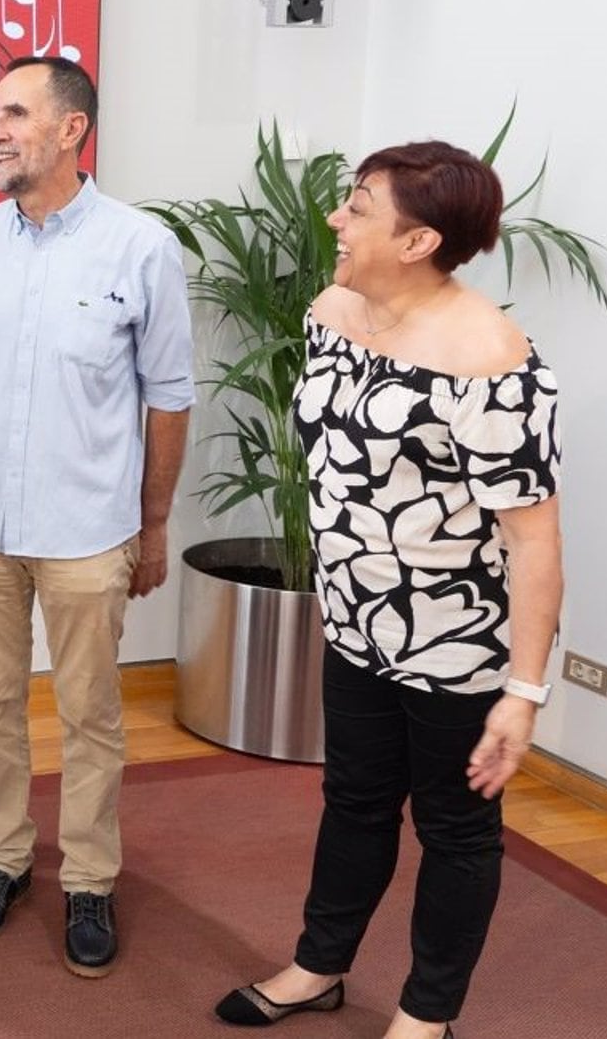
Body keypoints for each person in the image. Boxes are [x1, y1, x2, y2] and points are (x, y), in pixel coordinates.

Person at [213, 142, 563, 1039]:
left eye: (359, 205)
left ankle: (424, 1014)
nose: (337, 217)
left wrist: (522, 695)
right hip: (354, 622)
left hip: (454, 638)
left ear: (418, 241)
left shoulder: (490, 355)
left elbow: (533, 540)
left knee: (454, 831)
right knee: (355, 801)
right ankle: (318, 966)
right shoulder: (335, 309)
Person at [0, 55, 193, 977]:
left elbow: (168, 397)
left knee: (91, 713)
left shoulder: (141, 247)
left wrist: (152, 525)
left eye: (13, 112)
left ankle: (88, 878)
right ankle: (4, 860)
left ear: (71, 129)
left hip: (89, 532)